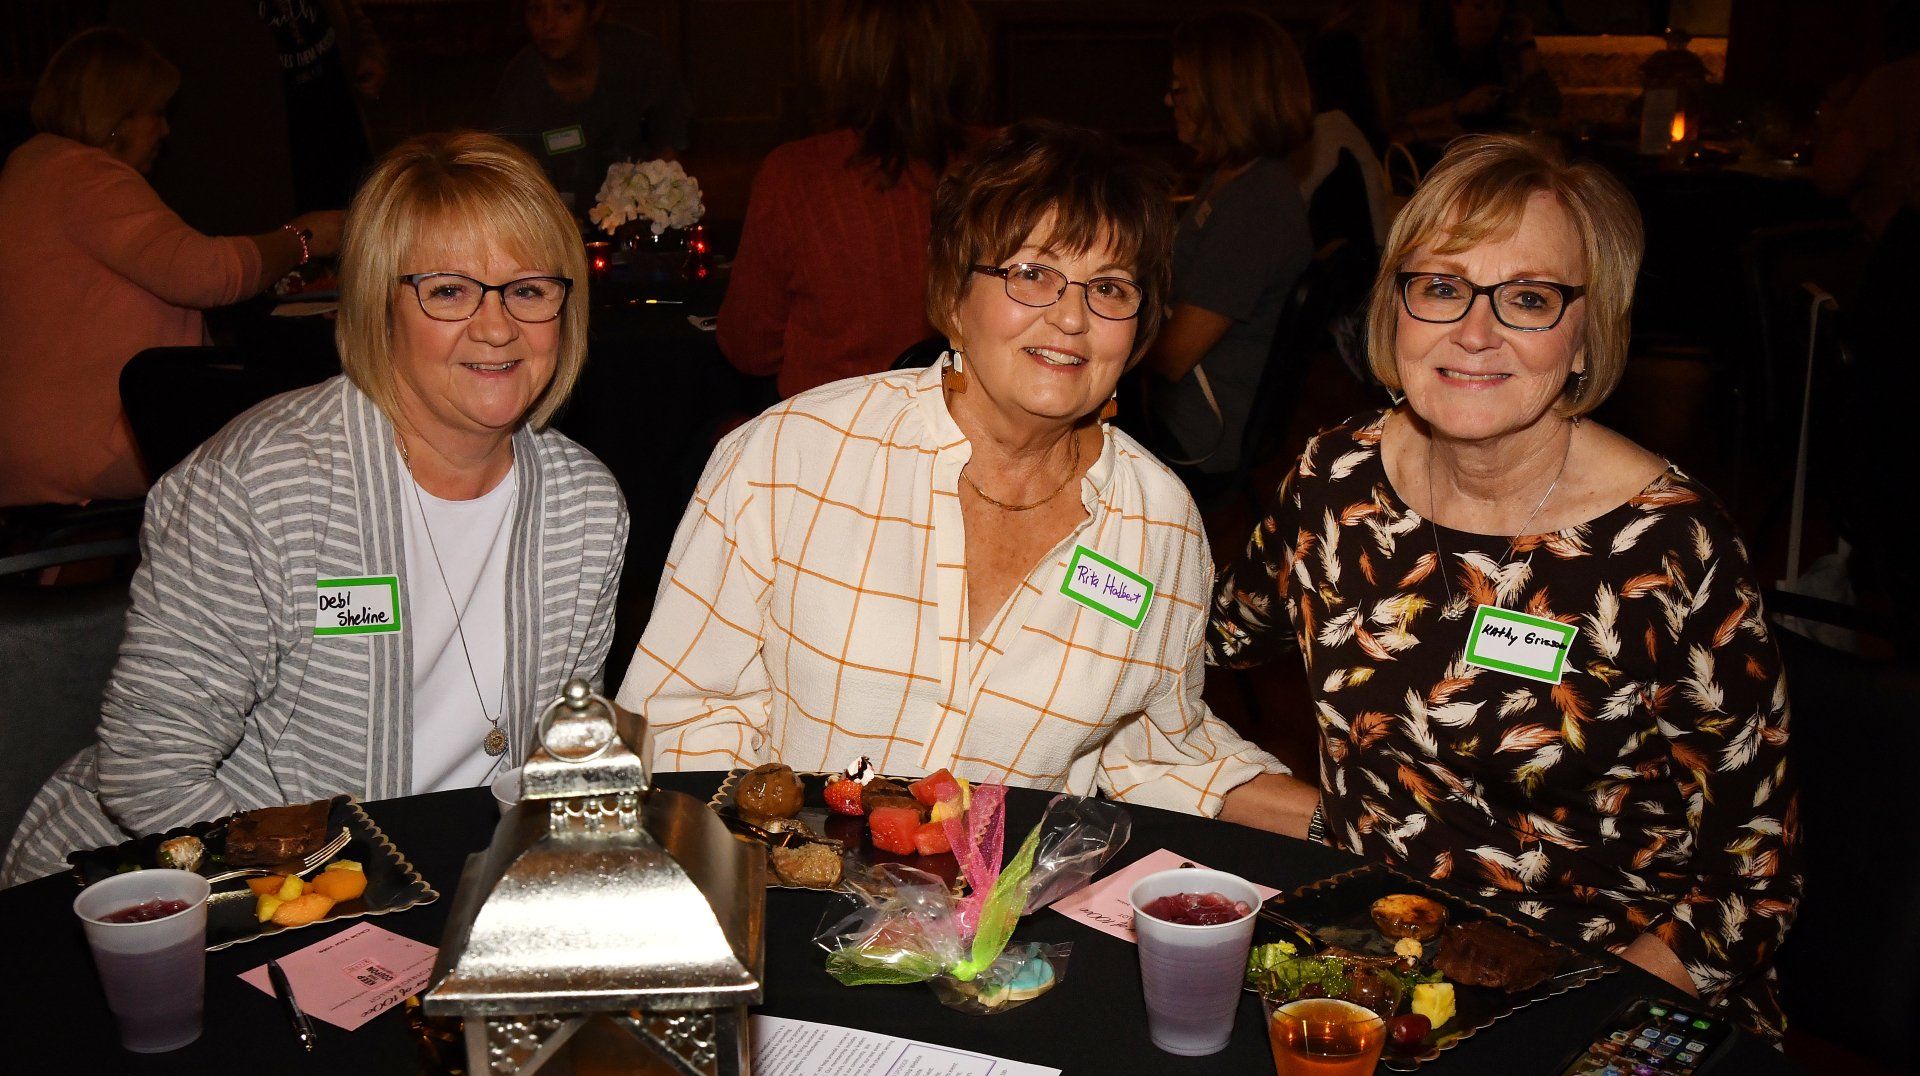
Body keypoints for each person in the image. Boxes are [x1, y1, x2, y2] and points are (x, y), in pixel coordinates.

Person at [1208, 135, 1801, 1039]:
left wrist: (1581, 1021)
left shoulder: (1671, 551)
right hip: (1380, 974)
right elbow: (1208, 636)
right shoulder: (1337, 481)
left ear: (1586, 333)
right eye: (1442, 287)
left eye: (1527, 299)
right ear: (1395, 309)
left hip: (1608, 991)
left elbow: (1752, 886)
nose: (1473, 333)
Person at [621, 121, 1299, 827]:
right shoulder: (789, 459)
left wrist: (1357, 824)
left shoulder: (1157, 524)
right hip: (786, 894)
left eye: (1110, 288)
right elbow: (680, 716)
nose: (1072, 317)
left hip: (1001, 925)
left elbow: (1157, 751)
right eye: (1031, 274)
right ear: (952, 297)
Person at [2, 131, 629, 885]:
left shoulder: (585, 509)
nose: (496, 327)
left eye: (528, 290)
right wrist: (332, 899)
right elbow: (151, 772)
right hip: (172, 885)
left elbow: (550, 762)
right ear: (378, 305)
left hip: (428, 880)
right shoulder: (263, 488)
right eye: (448, 290)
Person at [0, 27, 342, 507]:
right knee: (301, 440)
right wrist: (301, 240)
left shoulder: (34, 171)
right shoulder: (85, 179)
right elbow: (207, 275)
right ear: (115, 117)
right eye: (155, 113)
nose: (165, 130)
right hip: (98, 445)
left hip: (37, 442)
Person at [718, 0, 988, 398]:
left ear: (842, 60)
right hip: (973, 436)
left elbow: (748, 348)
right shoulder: (1011, 166)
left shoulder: (796, 175)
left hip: (830, 442)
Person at [1142, 10, 1314, 476]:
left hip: (1196, 430)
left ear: (1223, 96)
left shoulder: (1256, 205)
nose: (1168, 99)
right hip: (1186, 407)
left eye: (1181, 88)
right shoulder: (1234, 178)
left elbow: (1173, 357)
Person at [489, 0, 693, 213]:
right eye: (535, 10)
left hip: (638, 219)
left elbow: (672, 147)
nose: (548, 24)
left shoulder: (640, 61)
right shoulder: (517, 83)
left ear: (595, 11)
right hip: (553, 222)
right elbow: (502, 172)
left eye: (565, 9)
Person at [1385, 0, 1560, 151]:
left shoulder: (1503, 53)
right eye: (1479, 7)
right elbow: (1397, 119)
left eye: (1496, 7)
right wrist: (1461, 106)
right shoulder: (1422, 52)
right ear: (1456, 6)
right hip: (1435, 160)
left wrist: (1525, 44)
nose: (1488, 17)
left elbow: (1547, 107)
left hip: (1495, 155)